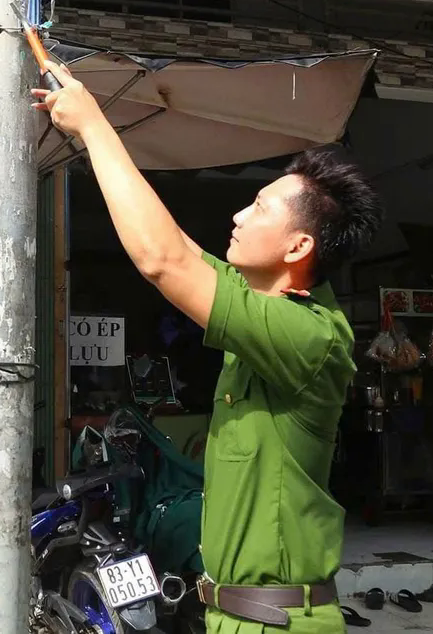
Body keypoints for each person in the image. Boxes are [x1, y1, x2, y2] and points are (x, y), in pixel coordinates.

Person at [34, 62, 382, 632]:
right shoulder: (261, 315)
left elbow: (162, 260)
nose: (239, 214)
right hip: (229, 616)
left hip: (276, 624)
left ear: (298, 246)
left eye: (261, 208)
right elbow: (183, 254)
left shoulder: (309, 334)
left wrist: (95, 128)